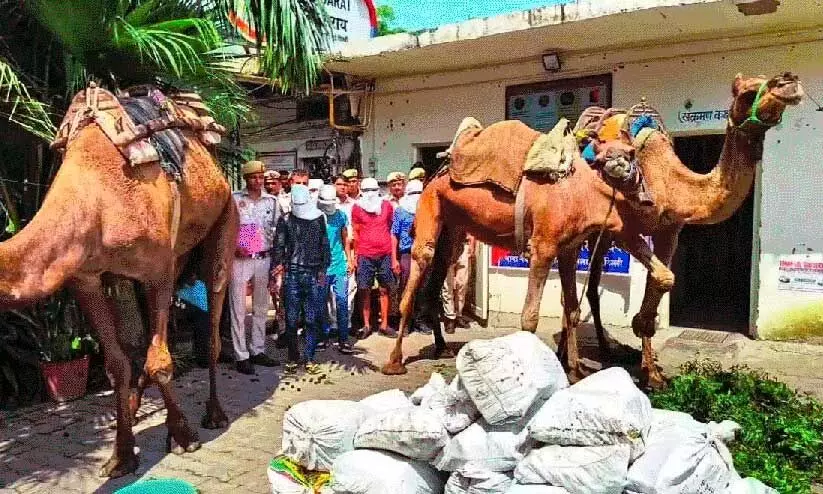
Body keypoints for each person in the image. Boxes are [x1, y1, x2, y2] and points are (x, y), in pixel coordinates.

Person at [229, 160, 281, 374]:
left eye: (261, 177)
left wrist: (278, 262)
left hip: (264, 257)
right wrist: (234, 247)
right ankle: (241, 355)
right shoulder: (234, 200)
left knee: (261, 307)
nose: (258, 181)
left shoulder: (272, 201)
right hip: (241, 258)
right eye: (253, 177)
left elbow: (279, 231)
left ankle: (257, 350)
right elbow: (226, 229)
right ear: (245, 179)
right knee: (238, 308)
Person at [272, 184, 331, 374]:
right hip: (292, 275)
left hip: (313, 274)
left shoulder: (319, 218)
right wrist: (277, 267)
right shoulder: (286, 220)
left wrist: (323, 269)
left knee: (312, 319)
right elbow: (279, 246)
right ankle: (292, 356)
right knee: (290, 319)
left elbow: (324, 245)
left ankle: (309, 357)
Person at [351, 177, 396, 339]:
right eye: (366, 190)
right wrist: (356, 255)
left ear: (378, 190)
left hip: (384, 253)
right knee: (365, 290)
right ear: (362, 192)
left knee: (385, 289)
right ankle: (366, 325)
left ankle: (384, 324)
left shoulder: (387, 206)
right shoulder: (356, 208)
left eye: (373, 190)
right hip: (365, 253)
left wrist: (393, 256)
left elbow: (391, 229)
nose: (370, 194)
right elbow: (355, 232)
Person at [390, 179, 432, 335]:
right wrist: (394, 258)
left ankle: (420, 321)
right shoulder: (400, 211)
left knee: (423, 288)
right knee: (406, 288)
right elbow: (394, 235)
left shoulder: (428, 210)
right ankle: (405, 322)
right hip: (407, 254)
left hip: (424, 253)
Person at [318, 184, 356, 354]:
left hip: (339, 265)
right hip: (320, 268)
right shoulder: (313, 216)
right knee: (321, 303)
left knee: (341, 301)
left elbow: (345, 239)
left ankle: (343, 339)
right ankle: (323, 337)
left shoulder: (340, 215)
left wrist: (349, 260)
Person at [441, 233, 478, 333]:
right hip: (448, 246)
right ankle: (450, 317)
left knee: (462, 285)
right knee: (447, 285)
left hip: (464, 245)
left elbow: (471, 230)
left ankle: (458, 314)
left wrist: (472, 245)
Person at [175, 272, 210, 368]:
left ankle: (204, 357)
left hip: (202, 311)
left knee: (203, 332)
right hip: (195, 312)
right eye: (192, 276)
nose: (194, 277)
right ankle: (203, 358)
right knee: (201, 332)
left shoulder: (200, 284)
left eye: (194, 276)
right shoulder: (182, 291)